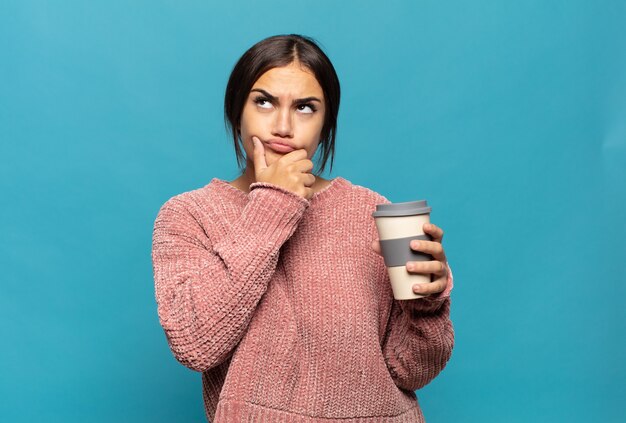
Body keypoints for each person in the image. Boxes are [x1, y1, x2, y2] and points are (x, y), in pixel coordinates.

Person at [151, 34, 454, 423]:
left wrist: (427, 304)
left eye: (305, 108)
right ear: (236, 111)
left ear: (326, 124)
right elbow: (195, 344)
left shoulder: (371, 211)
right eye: (263, 102)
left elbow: (412, 371)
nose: (283, 126)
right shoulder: (189, 215)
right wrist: (274, 203)